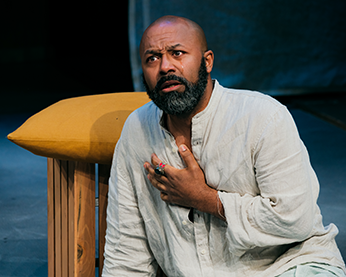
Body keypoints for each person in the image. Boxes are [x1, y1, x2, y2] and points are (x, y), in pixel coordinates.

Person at [102, 15, 346, 277]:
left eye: (177, 53)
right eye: (152, 58)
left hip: (290, 267)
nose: (165, 67)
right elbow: (126, 249)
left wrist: (206, 199)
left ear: (207, 62)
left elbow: (294, 219)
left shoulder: (263, 116)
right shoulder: (137, 129)